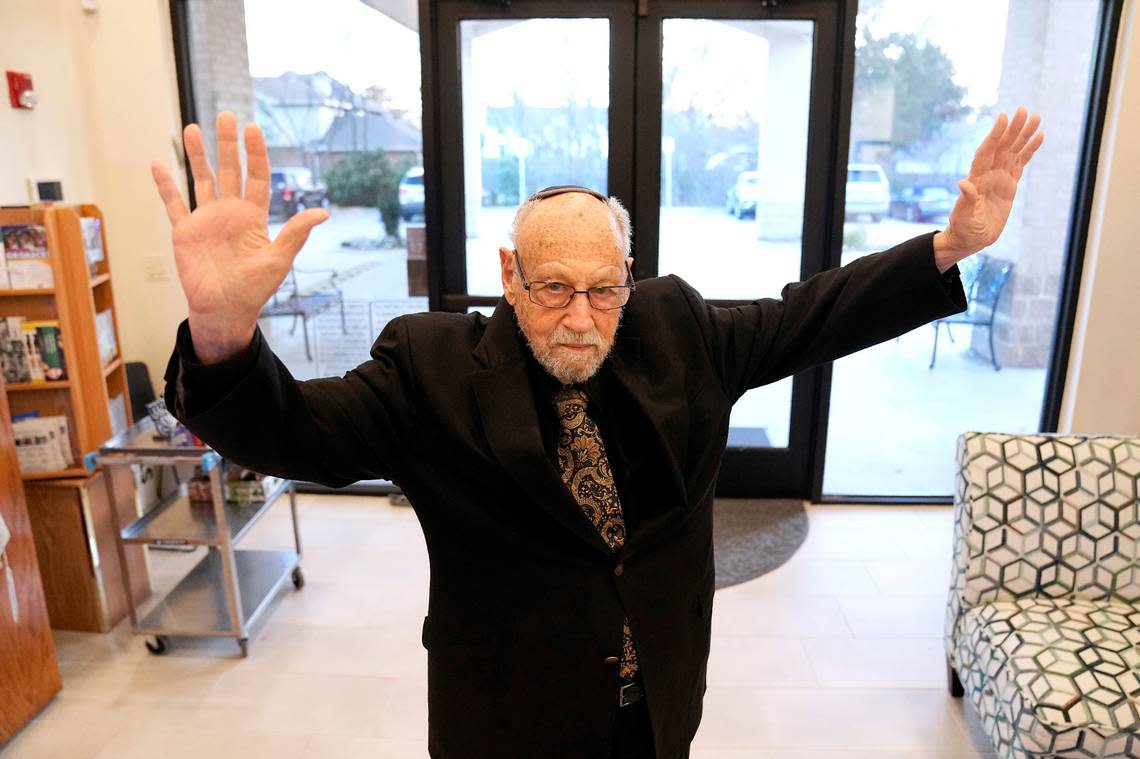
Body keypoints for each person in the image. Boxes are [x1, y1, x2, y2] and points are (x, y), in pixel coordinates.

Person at [152, 108, 1043, 759]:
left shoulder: (677, 327)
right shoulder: (430, 367)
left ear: (630, 273)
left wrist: (946, 248)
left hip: (656, 697)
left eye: (604, 287)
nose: (581, 317)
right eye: (552, 289)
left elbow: (807, 316)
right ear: (509, 274)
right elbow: (300, 432)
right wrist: (223, 337)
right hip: (507, 718)